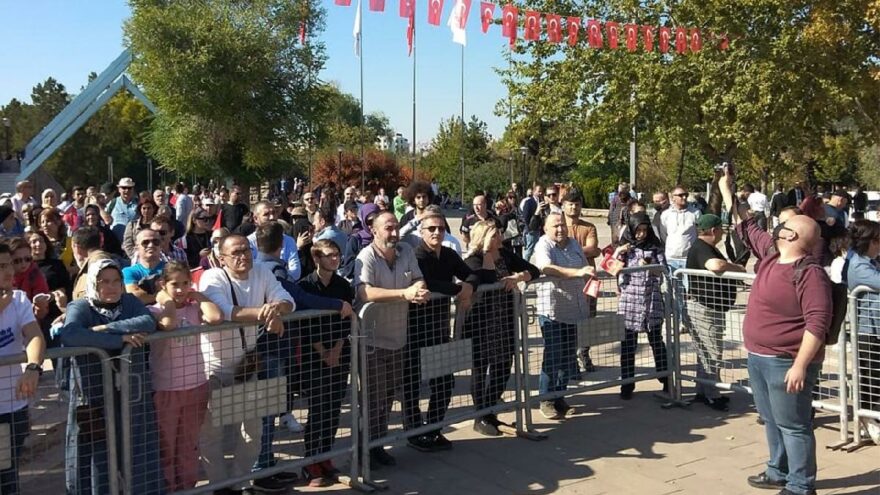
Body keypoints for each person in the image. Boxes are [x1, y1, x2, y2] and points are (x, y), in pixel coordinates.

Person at [719, 169, 831, 495]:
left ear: (793, 237)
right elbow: (746, 226)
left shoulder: (809, 273)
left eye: (783, 227)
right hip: (758, 356)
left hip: (786, 361)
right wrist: (728, 190)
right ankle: (777, 470)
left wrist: (799, 365)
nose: (776, 228)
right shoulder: (772, 255)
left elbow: (817, 323)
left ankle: (800, 486)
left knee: (794, 426)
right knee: (771, 420)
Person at [198, 234, 296, 492]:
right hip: (215, 368)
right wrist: (266, 314)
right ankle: (220, 486)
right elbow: (225, 312)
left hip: (247, 365)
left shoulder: (262, 270)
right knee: (213, 435)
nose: (243, 256)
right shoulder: (213, 277)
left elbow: (286, 299)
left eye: (246, 250)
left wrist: (276, 310)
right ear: (222, 258)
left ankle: (240, 482)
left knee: (253, 432)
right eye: (236, 252)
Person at [58, 257, 161, 494]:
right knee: (95, 453)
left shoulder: (129, 301)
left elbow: (147, 321)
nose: (112, 287)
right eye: (104, 281)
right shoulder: (81, 306)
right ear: (94, 283)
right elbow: (71, 334)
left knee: (137, 446)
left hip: (130, 393)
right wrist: (119, 339)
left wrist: (105, 329)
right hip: (93, 394)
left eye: (116, 281)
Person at [353, 211, 430, 468]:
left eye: (396, 227)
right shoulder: (366, 257)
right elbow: (365, 291)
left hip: (398, 338)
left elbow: (418, 277)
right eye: (388, 228)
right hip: (373, 341)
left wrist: (419, 288)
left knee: (386, 398)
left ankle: (377, 446)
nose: (394, 232)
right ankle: (364, 451)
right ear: (374, 231)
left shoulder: (406, 251)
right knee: (372, 400)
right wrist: (404, 294)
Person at [408, 212, 479, 451]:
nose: (436, 232)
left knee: (444, 381)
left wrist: (468, 285)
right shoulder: (415, 255)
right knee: (412, 384)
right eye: (431, 229)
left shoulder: (448, 253)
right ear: (422, 231)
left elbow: (470, 272)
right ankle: (414, 432)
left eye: (440, 228)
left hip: (438, 328)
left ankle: (433, 428)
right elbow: (426, 282)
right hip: (413, 328)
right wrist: (458, 289)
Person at [149, 262, 223, 491]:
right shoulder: (155, 311)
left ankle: (187, 487)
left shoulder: (193, 309)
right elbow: (169, 325)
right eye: (174, 285)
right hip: (166, 388)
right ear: (163, 285)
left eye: (184, 284)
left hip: (196, 385)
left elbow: (216, 317)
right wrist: (167, 301)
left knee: (188, 444)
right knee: (166, 446)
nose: (180, 290)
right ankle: (168, 488)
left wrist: (197, 294)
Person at [463, 220, 539, 436]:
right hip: (481, 321)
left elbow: (533, 269)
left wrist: (520, 276)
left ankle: (490, 410)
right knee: (481, 368)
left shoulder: (505, 255)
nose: (499, 237)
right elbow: (484, 278)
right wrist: (486, 251)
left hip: (503, 319)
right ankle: (481, 416)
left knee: (504, 365)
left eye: (498, 233)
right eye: (494, 234)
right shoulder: (473, 260)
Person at [297, 239, 356, 486]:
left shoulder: (343, 285)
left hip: (340, 352)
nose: (335, 259)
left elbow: (347, 319)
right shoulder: (305, 286)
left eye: (337, 255)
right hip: (315, 357)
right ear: (316, 258)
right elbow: (304, 325)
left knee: (333, 407)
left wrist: (337, 349)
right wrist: (323, 352)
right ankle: (311, 461)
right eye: (329, 255)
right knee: (318, 408)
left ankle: (326, 456)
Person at [533, 213, 594, 419]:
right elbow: (546, 267)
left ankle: (560, 397)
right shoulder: (543, 245)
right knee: (553, 356)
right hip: (553, 311)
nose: (560, 229)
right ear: (545, 229)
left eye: (562, 225)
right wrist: (575, 273)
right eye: (555, 226)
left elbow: (586, 267)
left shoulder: (575, 244)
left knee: (568, 356)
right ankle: (546, 399)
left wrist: (590, 286)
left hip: (575, 309)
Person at [684, 213, 745, 410]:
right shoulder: (701, 248)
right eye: (720, 229)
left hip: (712, 307)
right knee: (711, 352)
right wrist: (737, 268)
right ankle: (712, 394)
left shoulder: (706, 248)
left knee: (706, 352)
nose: (721, 233)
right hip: (705, 309)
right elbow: (715, 266)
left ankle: (704, 390)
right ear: (713, 230)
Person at [0, 242, 46, 495]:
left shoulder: (18, 299)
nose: (8, 271)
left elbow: (35, 336)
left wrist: (32, 368)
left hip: (12, 406)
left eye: (8, 264)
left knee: (7, 476)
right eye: (1, 266)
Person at [611, 212, 670, 399]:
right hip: (629, 301)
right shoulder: (625, 248)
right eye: (638, 231)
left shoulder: (655, 248)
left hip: (651, 300)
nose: (641, 235)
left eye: (645, 230)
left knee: (656, 342)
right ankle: (627, 384)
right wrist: (618, 253)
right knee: (628, 345)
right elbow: (610, 268)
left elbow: (663, 270)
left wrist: (648, 266)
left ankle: (666, 379)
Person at [844, 220, 880, 445]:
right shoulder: (859, 265)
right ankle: (868, 421)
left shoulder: (869, 260)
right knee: (870, 378)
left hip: (873, 328)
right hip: (867, 330)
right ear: (871, 241)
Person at [659, 185, 700, 331]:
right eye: (680, 195)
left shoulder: (695, 213)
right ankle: (678, 322)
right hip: (671, 259)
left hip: (689, 259)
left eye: (685, 194)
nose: (684, 197)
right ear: (672, 197)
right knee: (675, 294)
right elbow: (664, 233)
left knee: (690, 293)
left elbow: (699, 232)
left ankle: (690, 321)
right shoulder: (665, 215)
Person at [246, 201, 301, 280]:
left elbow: (295, 272)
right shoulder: (248, 242)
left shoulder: (288, 240)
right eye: (266, 214)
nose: (272, 217)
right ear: (255, 218)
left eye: (274, 213)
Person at [123, 229, 166, 305]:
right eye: (145, 242)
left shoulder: (171, 269)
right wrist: (164, 294)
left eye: (155, 242)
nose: (151, 245)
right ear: (137, 247)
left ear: (161, 246)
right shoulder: (128, 271)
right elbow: (135, 296)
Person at [105, 177, 139, 242]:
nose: (127, 190)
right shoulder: (112, 203)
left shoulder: (139, 203)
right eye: (124, 188)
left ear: (133, 189)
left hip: (134, 243)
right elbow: (106, 220)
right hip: (116, 243)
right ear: (119, 189)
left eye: (129, 188)